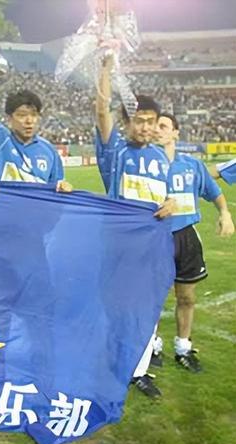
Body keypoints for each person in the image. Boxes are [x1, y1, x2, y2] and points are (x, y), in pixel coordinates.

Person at [95, 55, 176, 399]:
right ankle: (109, 365)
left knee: (148, 311)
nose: (144, 127)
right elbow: (102, 110)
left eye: (150, 122)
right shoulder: (115, 151)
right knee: (114, 309)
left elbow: (165, 199)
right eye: (139, 121)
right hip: (118, 248)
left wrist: (171, 204)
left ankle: (139, 372)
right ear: (126, 123)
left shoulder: (160, 158)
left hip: (151, 251)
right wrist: (106, 68)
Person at [150, 112, 234, 372]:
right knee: (152, 297)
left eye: (164, 126)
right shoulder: (145, 165)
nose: (158, 130)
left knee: (186, 296)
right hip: (155, 237)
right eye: (155, 126)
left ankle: (183, 348)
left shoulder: (192, 165)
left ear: (176, 132)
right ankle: (152, 347)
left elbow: (214, 192)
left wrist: (225, 213)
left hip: (186, 237)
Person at [0, 66, 72, 191]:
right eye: (22, 115)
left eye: (34, 115)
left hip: (36, 204)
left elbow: (57, 188)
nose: (29, 121)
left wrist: (64, 187)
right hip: (5, 203)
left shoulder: (49, 151)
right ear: (9, 119)